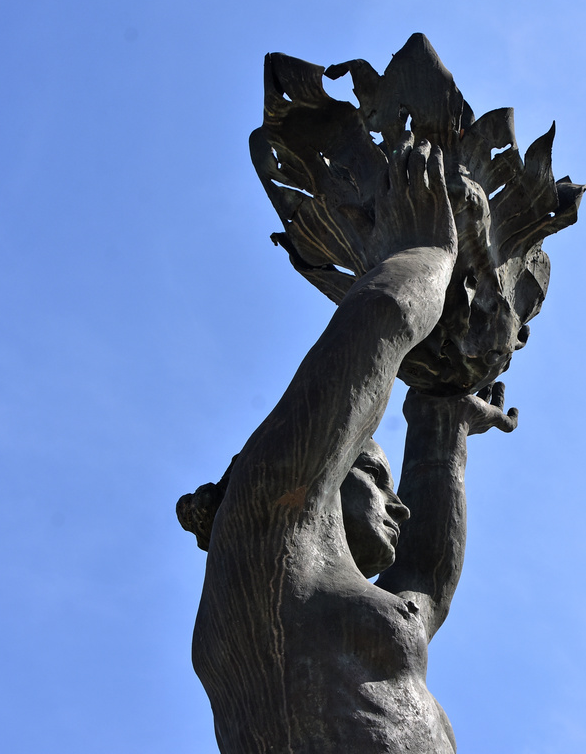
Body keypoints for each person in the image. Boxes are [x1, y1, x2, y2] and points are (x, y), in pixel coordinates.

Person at [184, 138, 517, 753]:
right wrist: (419, 251)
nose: (400, 507)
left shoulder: (347, 609)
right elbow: (360, 357)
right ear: (323, 474)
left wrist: (440, 430)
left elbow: (426, 581)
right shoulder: (261, 543)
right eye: (377, 480)